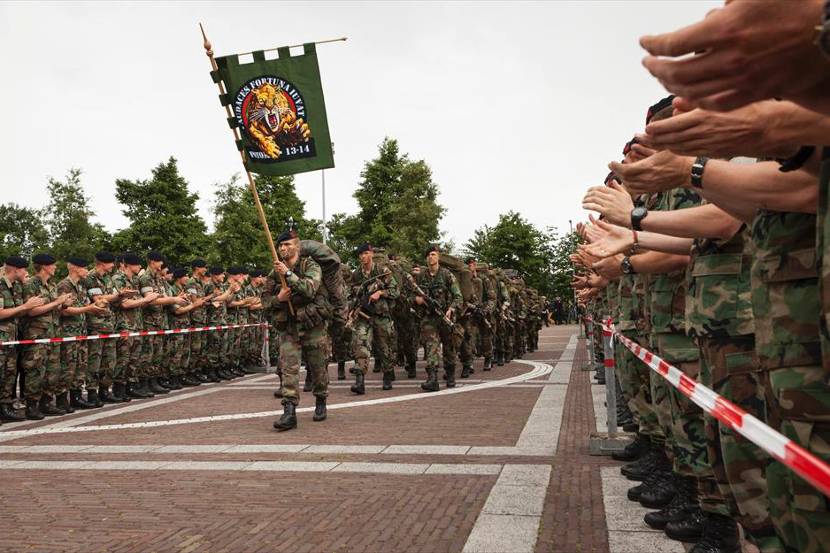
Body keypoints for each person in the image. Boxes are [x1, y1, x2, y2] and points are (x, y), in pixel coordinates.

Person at [267, 227, 332, 431]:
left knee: (318, 367)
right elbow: (264, 300)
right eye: (281, 245)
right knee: (289, 367)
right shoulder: (274, 272)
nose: (283, 248)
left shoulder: (310, 265)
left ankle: (321, 400)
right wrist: (278, 299)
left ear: (297, 246)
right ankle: (289, 411)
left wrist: (288, 274)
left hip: (313, 325)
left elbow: (310, 289)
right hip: (290, 326)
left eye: (287, 244)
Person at [20, 253, 72, 419]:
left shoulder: (51, 284)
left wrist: (63, 305)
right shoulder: (31, 285)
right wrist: (57, 302)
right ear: (44, 266)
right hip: (37, 335)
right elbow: (31, 310)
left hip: (53, 333)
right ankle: (31, 406)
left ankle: (46, 402)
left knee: (52, 371)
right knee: (35, 371)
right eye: (53, 265)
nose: (55, 267)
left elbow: (53, 309)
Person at [348, 243, 399, 393]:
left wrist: (381, 293)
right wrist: (351, 309)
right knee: (360, 345)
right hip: (364, 316)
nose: (363, 257)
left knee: (384, 348)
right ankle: (359, 381)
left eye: (365, 253)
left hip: (381, 316)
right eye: (361, 254)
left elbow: (395, 291)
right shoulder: (356, 274)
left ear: (371, 254)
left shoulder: (382, 271)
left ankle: (388, 375)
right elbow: (351, 294)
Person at [0, 256, 44, 422]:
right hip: (2, 337)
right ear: (16, 269)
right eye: (24, 269)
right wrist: (26, 307)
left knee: (9, 373)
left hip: (12, 337)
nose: (27, 272)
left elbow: (18, 310)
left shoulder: (16, 286)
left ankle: (5, 407)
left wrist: (33, 306)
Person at [414, 244, 462, 392]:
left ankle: (450, 375)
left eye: (433, 254)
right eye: (428, 255)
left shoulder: (447, 275)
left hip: (445, 317)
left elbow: (458, 297)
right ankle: (432, 379)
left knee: (449, 347)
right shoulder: (421, 276)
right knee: (431, 347)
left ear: (438, 256)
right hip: (429, 319)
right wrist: (417, 300)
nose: (431, 257)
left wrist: (451, 308)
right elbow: (411, 295)